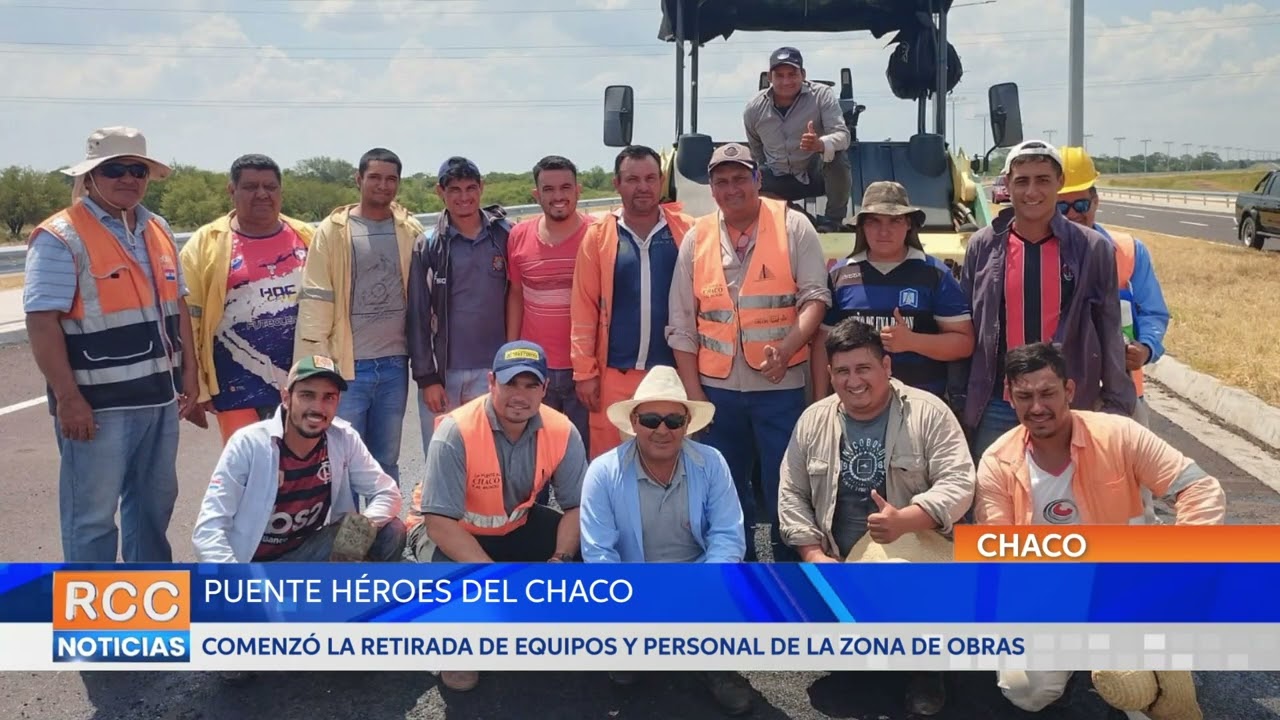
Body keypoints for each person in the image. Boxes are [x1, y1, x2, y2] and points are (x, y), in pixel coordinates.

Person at [974, 342, 1224, 713]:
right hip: (1051, 590)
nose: (1037, 407)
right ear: (1010, 397)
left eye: (1047, 393)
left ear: (1069, 390)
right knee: (1026, 690)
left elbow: (1199, 487)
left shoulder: (1118, 435)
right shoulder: (997, 462)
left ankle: (1152, 674)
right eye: (1025, 396)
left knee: (1130, 688)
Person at [779, 318, 973, 716]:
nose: (853, 381)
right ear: (830, 373)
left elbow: (959, 482)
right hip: (840, 562)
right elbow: (791, 493)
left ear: (886, 366)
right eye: (842, 371)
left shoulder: (928, 413)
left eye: (863, 368)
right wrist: (815, 557)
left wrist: (908, 519)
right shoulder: (813, 420)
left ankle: (926, 669)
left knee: (900, 578)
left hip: (913, 556)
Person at [24, 126, 197, 562]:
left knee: (153, 509)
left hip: (159, 401)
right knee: (92, 518)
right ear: (90, 177)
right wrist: (68, 399)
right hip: (97, 407)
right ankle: (92, 602)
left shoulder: (157, 228)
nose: (128, 178)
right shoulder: (61, 236)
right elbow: (42, 322)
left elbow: (177, 306)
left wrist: (190, 374)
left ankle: (150, 594)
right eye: (114, 169)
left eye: (137, 170)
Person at [667, 142, 831, 562]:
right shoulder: (697, 239)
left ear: (758, 180)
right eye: (721, 182)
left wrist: (787, 348)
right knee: (725, 491)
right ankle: (736, 572)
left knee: (786, 487)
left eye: (741, 178)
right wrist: (696, 399)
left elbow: (816, 298)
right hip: (717, 393)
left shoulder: (793, 226)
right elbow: (682, 326)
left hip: (782, 389)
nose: (731, 188)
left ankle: (788, 570)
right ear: (711, 189)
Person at [405, 340, 587, 693]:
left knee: (589, 550)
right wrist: (494, 579)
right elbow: (439, 524)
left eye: (530, 385)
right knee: (462, 671)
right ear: (491, 382)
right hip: (446, 532)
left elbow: (577, 506)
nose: (520, 395)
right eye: (510, 383)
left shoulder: (562, 430)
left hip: (512, 525)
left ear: (544, 389)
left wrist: (560, 560)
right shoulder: (456, 432)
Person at [578, 364, 751, 714]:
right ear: (634, 422)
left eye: (673, 421)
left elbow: (728, 537)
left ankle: (713, 665)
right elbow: (598, 554)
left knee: (736, 582)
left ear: (686, 425)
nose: (662, 430)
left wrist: (701, 588)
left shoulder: (712, 463)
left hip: (696, 579)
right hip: (633, 585)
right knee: (624, 669)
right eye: (651, 419)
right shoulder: (603, 472)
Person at [959, 140, 1135, 460]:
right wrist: (960, 398)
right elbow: (967, 326)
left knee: (1066, 489)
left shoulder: (1092, 249)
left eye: (1042, 180)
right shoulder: (983, 246)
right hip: (997, 403)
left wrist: (1116, 403)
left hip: (1067, 403)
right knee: (994, 487)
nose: (1032, 192)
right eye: (1022, 181)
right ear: (1007, 184)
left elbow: (1109, 329)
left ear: (1060, 183)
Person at [192, 354, 407, 564]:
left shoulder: (343, 438)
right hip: (255, 566)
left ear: (338, 402)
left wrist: (360, 529)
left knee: (390, 531)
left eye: (328, 397)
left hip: (308, 553)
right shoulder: (249, 444)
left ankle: (350, 585)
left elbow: (387, 492)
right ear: (286, 398)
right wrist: (239, 581)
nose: (317, 408)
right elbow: (208, 530)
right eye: (307, 395)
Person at [295, 148, 423, 483]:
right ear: (358, 179)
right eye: (375, 177)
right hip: (348, 367)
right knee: (343, 460)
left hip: (395, 364)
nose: (383, 185)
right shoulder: (332, 231)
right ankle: (346, 518)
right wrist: (317, 364)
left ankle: (386, 518)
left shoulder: (408, 230)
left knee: (386, 460)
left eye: (391, 179)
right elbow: (315, 298)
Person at [570, 146, 694, 459]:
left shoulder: (688, 231)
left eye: (650, 178)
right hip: (615, 375)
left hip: (673, 375)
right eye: (632, 179)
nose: (643, 187)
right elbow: (584, 307)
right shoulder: (598, 236)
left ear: (661, 181)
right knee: (611, 462)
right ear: (617, 184)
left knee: (670, 460)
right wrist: (585, 373)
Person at [182, 153, 315, 444]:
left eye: (270, 187)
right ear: (232, 190)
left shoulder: (307, 236)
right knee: (247, 464)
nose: (262, 194)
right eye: (251, 187)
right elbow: (188, 320)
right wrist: (196, 384)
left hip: (302, 382)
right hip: (235, 385)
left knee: (301, 464)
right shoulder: (205, 243)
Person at [813, 181, 973, 401]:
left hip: (920, 408)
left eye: (895, 221)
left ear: (909, 224)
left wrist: (912, 341)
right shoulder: (839, 276)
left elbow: (964, 343)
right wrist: (819, 403)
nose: (884, 231)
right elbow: (823, 346)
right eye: (874, 221)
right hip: (855, 406)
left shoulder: (936, 274)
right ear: (861, 226)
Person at [1056, 146, 1170, 428]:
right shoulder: (1035, 255)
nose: (1072, 214)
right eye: (1061, 207)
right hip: (1054, 397)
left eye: (1080, 204)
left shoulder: (1129, 250)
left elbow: (1153, 312)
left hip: (1119, 393)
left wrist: (1146, 347)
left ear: (1095, 201)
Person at [408, 156, 513, 461]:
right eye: (454, 189)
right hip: (445, 374)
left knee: (490, 458)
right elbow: (417, 315)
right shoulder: (428, 244)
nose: (463, 197)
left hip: (494, 370)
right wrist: (427, 379)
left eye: (470, 188)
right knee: (442, 457)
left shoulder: (505, 236)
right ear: (440, 192)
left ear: (482, 188)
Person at [506, 155, 592, 452]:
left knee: (582, 451)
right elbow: (516, 294)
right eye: (548, 189)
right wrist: (512, 353)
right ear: (536, 194)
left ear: (578, 190)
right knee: (535, 452)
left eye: (566, 187)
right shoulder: (518, 235)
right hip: (535, 367)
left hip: (585, 369)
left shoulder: (598, 234)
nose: (558, 196)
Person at [744, 46, 852, 232]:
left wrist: (821, 144)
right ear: (770, 77)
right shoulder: (753, 108)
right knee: (749, 179)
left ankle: (833, 221)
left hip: (814, 175)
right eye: (779, 75)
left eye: (792, 74)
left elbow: (843, 135)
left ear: (803, 74)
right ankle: (804, 219)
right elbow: (757, 152)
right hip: (776, 176)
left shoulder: (822, 95)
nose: (786, 81)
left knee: (838, 158)